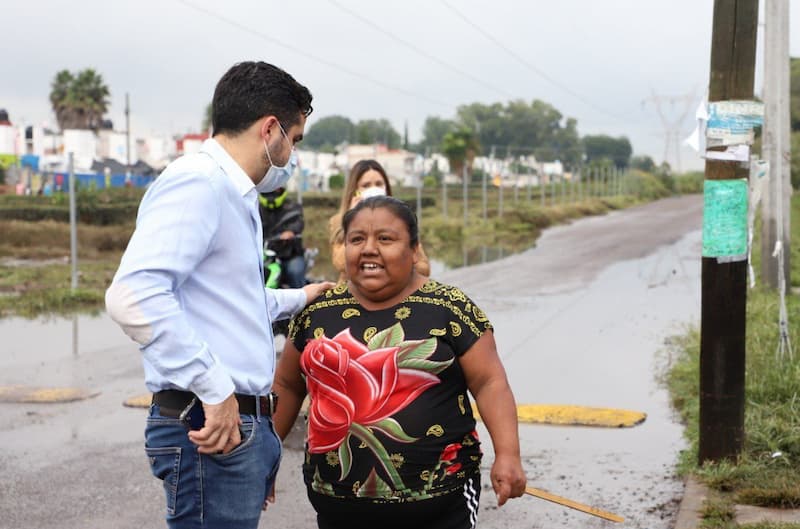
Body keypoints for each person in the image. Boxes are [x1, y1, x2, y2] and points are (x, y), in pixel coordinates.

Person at [105, 61, 334, 529]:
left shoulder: (233, 193)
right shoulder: (200, 184)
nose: (293, 156)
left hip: (234, 424)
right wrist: (215, 388)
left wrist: (301, 297)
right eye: (296, 139)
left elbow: (232, 305)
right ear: (270, 129)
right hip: (208, 423)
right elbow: (133, 296)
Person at [273, 195, 527, 529]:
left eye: (386, 239)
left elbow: (490, 383)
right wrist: (267, 457)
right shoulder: (317, 312)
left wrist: (508, 455)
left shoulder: (450, 308)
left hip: (441, 506)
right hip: (337, 507)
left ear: (414, 249)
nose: (369, 249)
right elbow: (288, 385)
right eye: (357, 239)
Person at [328, 159, 430, 282]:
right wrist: (352, 221)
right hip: (351, 295)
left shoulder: (401, 220)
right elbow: (341, 264)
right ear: (355, 191)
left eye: (379, 184)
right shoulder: (338, 221)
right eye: (366, 185)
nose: (374, 189)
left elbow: (424, 268)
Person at [259, 186, 306, 288]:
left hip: (289, 254)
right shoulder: (256, 208)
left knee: (295, 272)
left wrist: (290, 232)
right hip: (264, 255)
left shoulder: (293, 207)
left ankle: (303, 302)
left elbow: (298, 223)